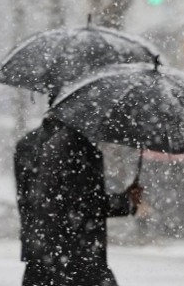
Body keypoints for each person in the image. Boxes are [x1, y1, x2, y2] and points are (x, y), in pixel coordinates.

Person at [14, 115, 143, 286]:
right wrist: (125, 201)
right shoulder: (77, 146)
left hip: (40, 253)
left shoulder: (28, 144)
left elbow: (27, 201)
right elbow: (82, 203)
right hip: (77, 255)